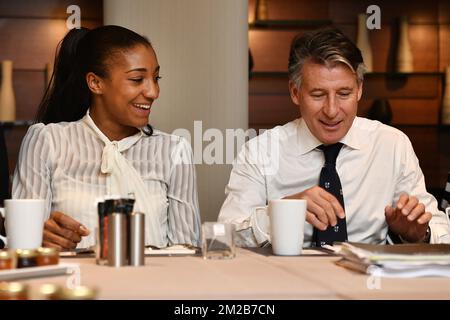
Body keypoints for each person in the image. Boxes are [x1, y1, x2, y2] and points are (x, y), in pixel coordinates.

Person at [218, 28, 450, 247]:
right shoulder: (259, 152)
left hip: (369, 284)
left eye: (344, 94)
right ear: (295, 92)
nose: (331, 110)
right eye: (318, 94)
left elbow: (442, 232)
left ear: (359, 89)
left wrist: (419, 232)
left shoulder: (392, 145)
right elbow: (224, 238)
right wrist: (281, 213)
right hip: (286, 283)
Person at [13, 25, 201, 250]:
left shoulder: (173, 151)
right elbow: (22, 246)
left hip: (153, 285)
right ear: (95, 83)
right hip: (74, 283)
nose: (153, 92)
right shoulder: (48, 142)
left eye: (156, 78)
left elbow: (188, 252)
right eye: (137, 79)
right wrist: (39, 237)